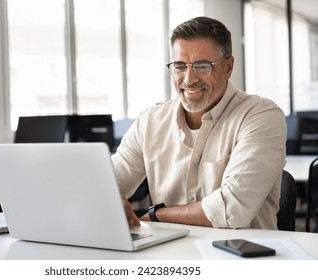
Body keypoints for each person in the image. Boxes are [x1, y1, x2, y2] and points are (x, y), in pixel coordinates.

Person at [111, 16, 286, 230]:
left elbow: (231, 210)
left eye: (203, 66)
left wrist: (156, 215)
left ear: (228, 67)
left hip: (243, 255)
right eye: (180, 66)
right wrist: (108, 197)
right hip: (169, 254)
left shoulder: (261, 115)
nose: (188, 79)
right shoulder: (149, 122)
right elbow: (107, 184)